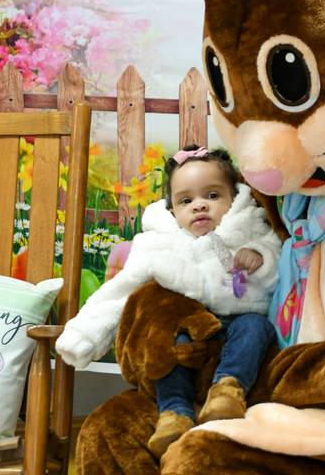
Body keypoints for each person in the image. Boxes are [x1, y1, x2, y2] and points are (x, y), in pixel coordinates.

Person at [54, 145, 281, 457]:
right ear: (172, 210)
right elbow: (121, 291)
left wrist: (260, 255)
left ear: (235, 197)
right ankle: (173, 412)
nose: (200, 206)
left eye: (212, 196)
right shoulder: (159, 245)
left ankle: (228, 390)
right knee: (163, 342)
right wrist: (84, 334)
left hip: (237, 325)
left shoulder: (250, 228)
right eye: (186, 200)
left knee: (257, 328)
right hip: (187, 331)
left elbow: (281, 264)